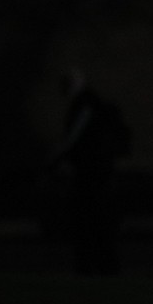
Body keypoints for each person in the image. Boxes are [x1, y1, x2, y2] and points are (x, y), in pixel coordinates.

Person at [48, 68, 128, 275]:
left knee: (88, 221)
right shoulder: (93, 104)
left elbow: (73, 139)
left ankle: (92, 267)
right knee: (97, 223)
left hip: (90, 174)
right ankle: (103, 268)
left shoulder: (85, 104)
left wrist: (59, 159)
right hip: (98, 173)